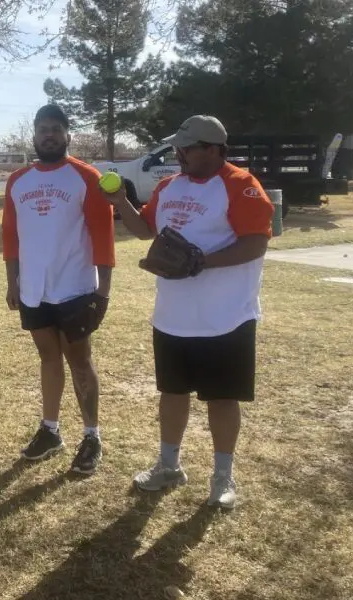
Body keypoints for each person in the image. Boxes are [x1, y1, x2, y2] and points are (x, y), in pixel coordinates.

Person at [102, 115, 273, 508]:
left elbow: (254, 244)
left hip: (225, 317)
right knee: (172, 392)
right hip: (173, 315)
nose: (178, 154)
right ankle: (168, 466)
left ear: (213, 149)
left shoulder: (241, 186)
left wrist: (200, 261)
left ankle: (223, 477)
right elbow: (146, 230)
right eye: (178, 147)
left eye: (187, 148)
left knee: (222, 398)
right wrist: (119, 203)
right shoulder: (168, 186)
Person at [1, 104, 115, 475]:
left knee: (79, 360)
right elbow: (10, 235)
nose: (48, 135)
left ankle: (92, 435)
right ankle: (50, 431)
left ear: (67, 134)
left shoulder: (86, 177)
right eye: (41, 129)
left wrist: (103, 292)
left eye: (55, 128)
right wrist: (12, 281)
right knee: (48, 358)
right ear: (33, 135)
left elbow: (103, 236)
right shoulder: (18, 180)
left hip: (76, 288)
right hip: (34, 288)